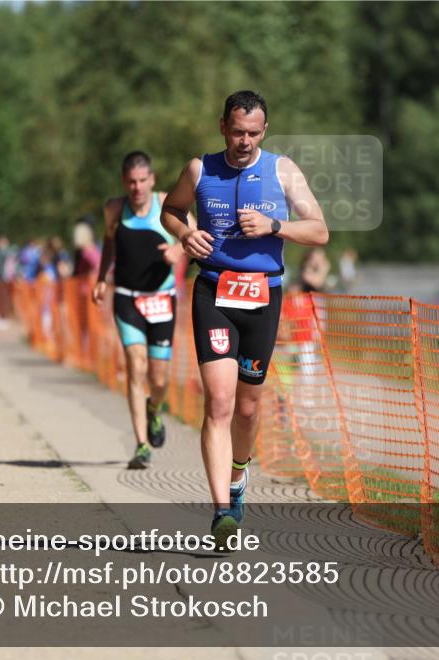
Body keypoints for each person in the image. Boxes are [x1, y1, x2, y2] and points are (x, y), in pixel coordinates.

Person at [160, 90, 328, 546]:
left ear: (264, 131)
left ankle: (239, 476)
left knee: (249, 408)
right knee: (219, 402)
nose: (245, 141)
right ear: (222, 127)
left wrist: (276, 227)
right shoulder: (200, 169)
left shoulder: (282, 170)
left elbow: (320, 230)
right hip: (213, 291)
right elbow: (170, 210)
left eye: (253, 133)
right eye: (237, 132)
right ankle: (220, 513)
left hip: (263, 297)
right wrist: (186, 232)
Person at [92, 151, 190, 470]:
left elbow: (197, 237)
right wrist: (102, 277)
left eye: (142, 181)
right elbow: (109, 241)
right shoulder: (114, 209)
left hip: (162, 298)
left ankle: (154, 409)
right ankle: (141, 445)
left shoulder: (166, 205)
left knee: (158, 378)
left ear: (152, 180)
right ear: (124, 182)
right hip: (127, 297)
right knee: (136, 365)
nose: (136, 188)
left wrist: (179, 249)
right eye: (131, 182)